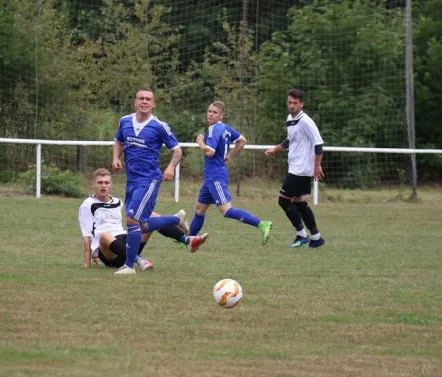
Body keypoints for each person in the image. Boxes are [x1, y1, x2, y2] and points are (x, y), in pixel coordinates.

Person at [112, 88, 208, 275]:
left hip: (149, 180)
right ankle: (176, 219)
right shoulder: (125, 121)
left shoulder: (159, 126)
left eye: (149, 99)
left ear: (153, 104)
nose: (145, 101)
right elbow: (119, 141)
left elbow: (177, 150)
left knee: (131, 218)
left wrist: (171, 166)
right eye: (141, 98)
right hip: (131, 180)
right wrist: (116, 157)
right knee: (142, 225)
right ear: (135, 102)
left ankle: (129, 266)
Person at [79, 168, 209, 271]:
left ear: (111, 185)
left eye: (106, 183)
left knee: (150, 216)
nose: (103, 186)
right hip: (108, 251)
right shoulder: (88, 204)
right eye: (100, 183)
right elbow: (87, 236)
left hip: (125, 240)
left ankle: (187, 240)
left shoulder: (118, 202)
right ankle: (139, 260)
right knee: (105, 235)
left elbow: (131, 220)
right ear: (93, 184)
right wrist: (87, 263)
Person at [188, 101, 273, 244]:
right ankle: (187, 240)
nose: (210, 114)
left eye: (214, 112)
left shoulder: (214, 129)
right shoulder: (226, 128)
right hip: (211, 176)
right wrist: (229, 156)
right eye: (209, 111)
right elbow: (242, 141)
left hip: (216, 176)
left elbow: (209, 152)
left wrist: (200, 141)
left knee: (227, 211)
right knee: (199, 209)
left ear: (221, 115)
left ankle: (262, 224)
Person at [264, 88, 325, 248]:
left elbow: (318, 143)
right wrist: (274, 149)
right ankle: (316, 237)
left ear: (301, 104)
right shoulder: (290, 119)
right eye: (290, 102)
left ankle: (301, 234)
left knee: (283, 200)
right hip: (296, 167)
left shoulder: (305, 121)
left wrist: (316, 165)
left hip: (301, 169)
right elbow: (290, 141)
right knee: (298, 201)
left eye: (295, 103)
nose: (292, 106)